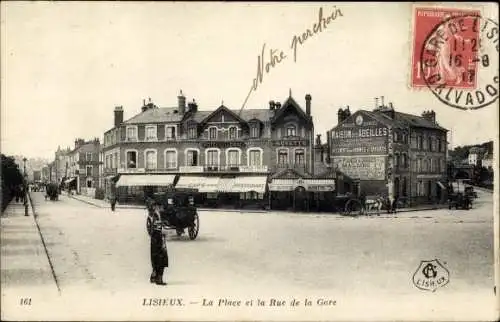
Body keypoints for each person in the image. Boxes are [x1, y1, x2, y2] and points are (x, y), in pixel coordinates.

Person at [150, 216, 169, 285]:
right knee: (161, 258)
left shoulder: (155, 214)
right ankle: (159, 278)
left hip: (157, 237)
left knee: (157, 257)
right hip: (158, 237)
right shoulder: (156, 215)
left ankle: (154, 275)